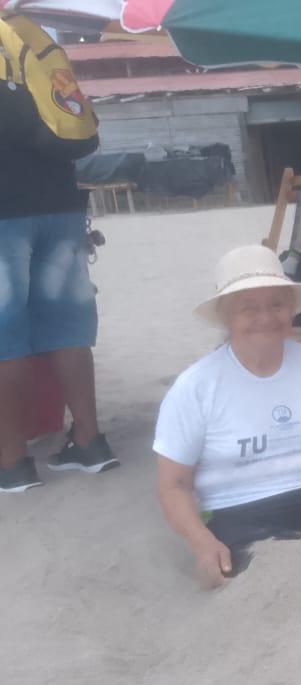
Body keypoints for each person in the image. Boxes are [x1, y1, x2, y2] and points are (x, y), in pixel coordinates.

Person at [154, 245, 301, 590]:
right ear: (226, 317)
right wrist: (202, 543)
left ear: (291, 310)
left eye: (277, 304)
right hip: (240, 512)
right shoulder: (195, 387)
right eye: (249, 308)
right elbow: (173, 484)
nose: (266, 317)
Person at [0, 24, 118, 493]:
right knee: (68, 330)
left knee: (5, 340)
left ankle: (12, 463)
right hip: (62, 210)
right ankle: (89, 442)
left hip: (3, 219)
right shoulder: (29, 42)